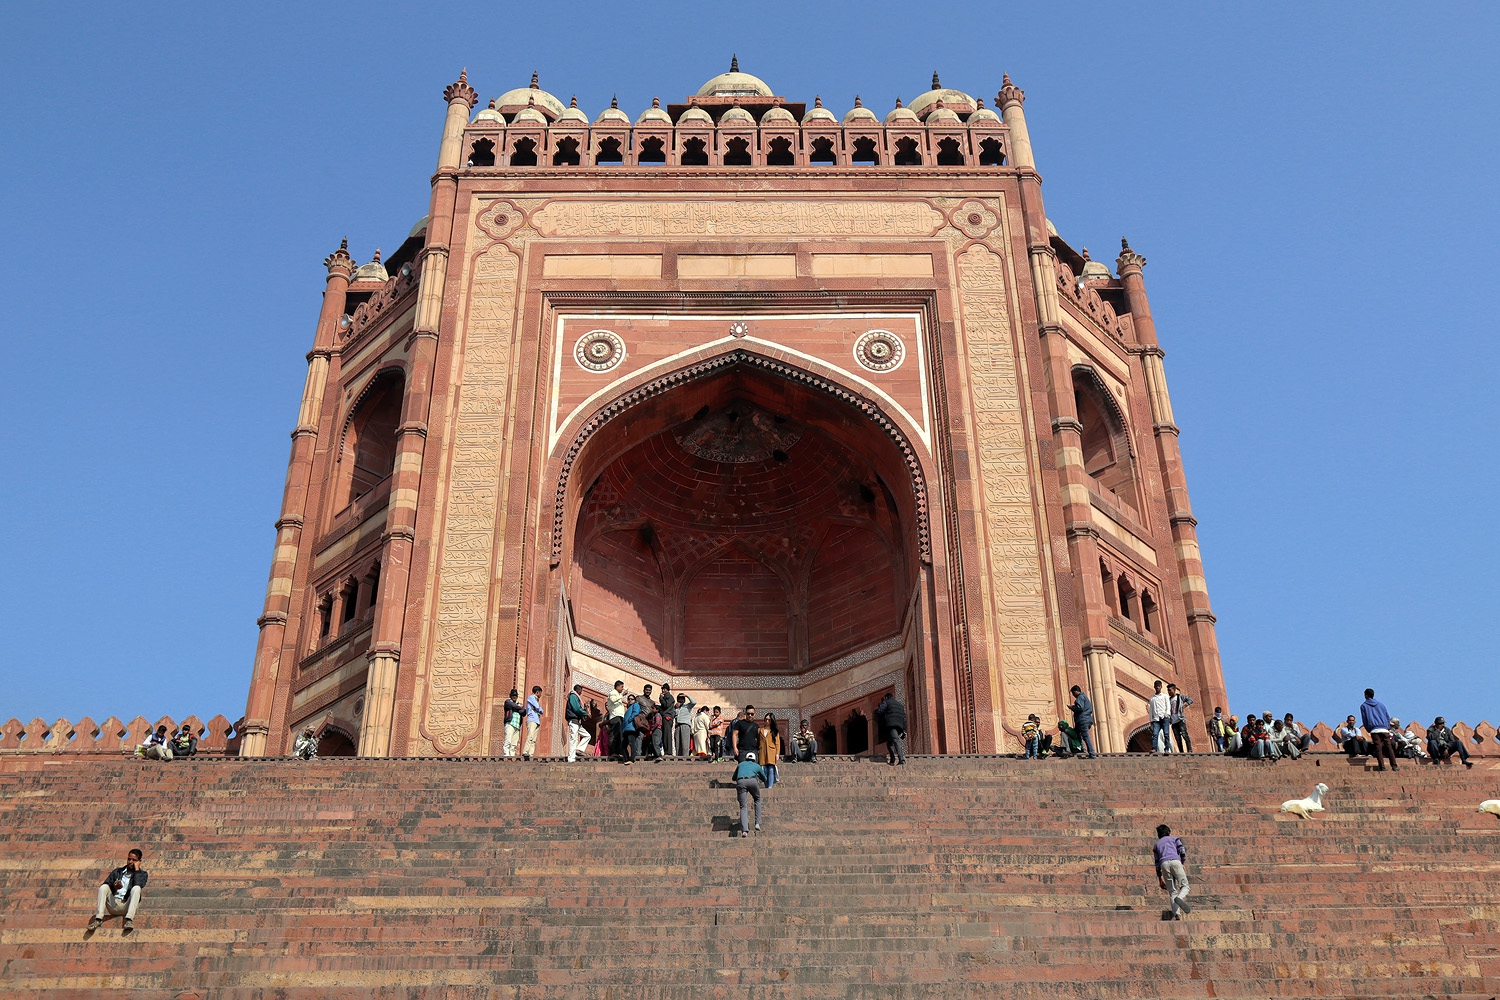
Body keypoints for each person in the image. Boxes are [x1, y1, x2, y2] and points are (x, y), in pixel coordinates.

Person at [87, 848, 148, 934]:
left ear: (139, 861)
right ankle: (98, 919)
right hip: (113, 904)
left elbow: (139, 885)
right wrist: (113, 886)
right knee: (104, 887)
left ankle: (129, 920)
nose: (130, 862)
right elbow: (106, 885)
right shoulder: (117, 872)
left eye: (134, 860)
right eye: (129, 859)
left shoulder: (143, 874)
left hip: (127, 906)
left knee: (136, 888)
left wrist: (137, 870)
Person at [1152, 824, 1191, 920]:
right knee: (1185, 886)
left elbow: (1156, 863)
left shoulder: (1156, 845)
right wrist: (1182, 862)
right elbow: (1182, 850)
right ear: (1169, 832)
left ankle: (1177, 914)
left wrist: (1159, 878)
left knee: (1172, 891)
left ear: (1158, 835)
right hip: (1175, 861)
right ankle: (1180, 898)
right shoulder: (1174, 839)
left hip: (1164, 864)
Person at [1360, 688, 1398, 772]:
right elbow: (1387, 716)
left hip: (1374, 729)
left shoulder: (1364, 706)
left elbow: (1365, 718)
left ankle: (1382, 766)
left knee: (1378, 748)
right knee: (1389, 748)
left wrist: (1368, 728)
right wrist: (1386, 726)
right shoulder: (1381, 704)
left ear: (1366, 695)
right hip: (1384, 729)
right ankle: (1394, 766)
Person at [731, 751, 767, 837]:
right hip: (752, 781)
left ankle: (744, 830)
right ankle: (757, 823)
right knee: (757, 799)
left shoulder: (741, 764)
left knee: (743, 806)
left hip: (740, 781)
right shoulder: (757, 766)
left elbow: (733, 778)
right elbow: (764, 778)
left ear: (746, 758)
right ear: (754, 759)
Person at [876, 693, 908, 765]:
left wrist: (884, 718)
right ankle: (892, 758)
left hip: (891, 724)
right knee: (890, 741)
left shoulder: (886, 702)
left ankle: (901, 759)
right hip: (899, 726)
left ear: (886, 697)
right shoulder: (900, 705)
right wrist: (905, 730)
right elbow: (904, 718)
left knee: (895, 740)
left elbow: (880, 711)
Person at [1069, 685, 1098, 758]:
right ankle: (1081, 748)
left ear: (1076, 691)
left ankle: (1092, 753)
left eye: (1073, 693)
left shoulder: (1080, 697)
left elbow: (1080, 708)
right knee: (1076, 733)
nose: (1073, 695)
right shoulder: (1084, 697)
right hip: (1085, 720)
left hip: (1083, 720)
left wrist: (1072, 707)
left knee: (1085, 736)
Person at [565, 684, 589, 762]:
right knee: (573, 739)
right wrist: (585, 713)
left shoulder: (575, 697)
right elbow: (576, 708)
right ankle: (571, 758)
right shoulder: (573, 696)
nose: (581, 693)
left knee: (587, 736)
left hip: (577, 722)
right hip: (573, 720)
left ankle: (578, 749)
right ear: (578, 690)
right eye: (581, 691)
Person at [1167, 684, 1194, 753]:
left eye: (1170, 690)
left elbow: (1190, 700)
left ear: (1174, 690)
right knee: (1177, 738)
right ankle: (1181, 752)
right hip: (1173, 721)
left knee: (1184, 734)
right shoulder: (1168, 700)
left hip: (1180, 719)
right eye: (1168, 691)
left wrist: (1185, 705)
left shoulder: (1180, 697)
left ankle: (1190, 750)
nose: (1169, 692)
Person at [758, 713, 783, 787]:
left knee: (771, 770)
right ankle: (766, 785)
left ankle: (770, 787)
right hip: (763, 752)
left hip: (772, 752)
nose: (767, 721)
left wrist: (777, 753)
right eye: (766, 719)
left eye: (769, 720)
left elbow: (777, 743)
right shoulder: (760, 730)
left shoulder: (774, 731)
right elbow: (758, 741)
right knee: (764, 770)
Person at [1148, 680, 1172, 754]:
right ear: (1154, 687)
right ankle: (1154, 748)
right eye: (1156, 686)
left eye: (1159, 686)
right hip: (1156, 719)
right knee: (1155, 734)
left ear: (1161, 687)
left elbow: (1168, 706)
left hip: (1164, 717)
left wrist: (1167, 714)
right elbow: (1151, 710)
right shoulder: (1152, 699)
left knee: (1166, 734)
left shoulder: (1165, 696)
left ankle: (1167, 749)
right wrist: (1151, 719)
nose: (1157, 687)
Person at [606, 680, 627, 760]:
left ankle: (617, 752)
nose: (622, 689)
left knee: (619, 735)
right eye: (622, 687)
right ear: (617, 686)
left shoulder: (617, 694)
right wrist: (622, 695)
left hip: (620, 717)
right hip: (615, 717)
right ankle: (612, 752)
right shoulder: (613, 693)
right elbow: (613, 700)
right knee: (614, 734)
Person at [523, 685, 545, 760]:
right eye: (540, 693)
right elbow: (538, 708)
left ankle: (530, 754)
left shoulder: (535, 700)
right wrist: (538, 709)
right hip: (532, 719)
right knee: (530, 736)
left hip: (536, 720)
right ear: (537, 692)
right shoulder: (531, 698)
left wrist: (539, 709)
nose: (541, 695)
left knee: (534, 739)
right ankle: (525, 751)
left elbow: (540, 710)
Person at [673, 693, 695, 760]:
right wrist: (674, 708)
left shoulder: (688, 706)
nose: (680, 700)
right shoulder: (676, 708)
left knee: (685, 743)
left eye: (682, 699)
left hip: (685, 725)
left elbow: (694, 702)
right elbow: (673, 715)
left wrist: (687, 695)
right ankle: (679, 758)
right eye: (679, 699)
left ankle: (685, 758)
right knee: (677, 743)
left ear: (684, 700)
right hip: (677, 726)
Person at [502, 689, 524, 758]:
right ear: (510, 696)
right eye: (513, 695)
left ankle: (512, 756)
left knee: (514, 744)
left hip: (517, 726)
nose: (514, 697)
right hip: (510, 724)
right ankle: (506, 755)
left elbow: (524, 712)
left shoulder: (519, 704)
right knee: (508, 740)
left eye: (515, 695)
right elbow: (513, 706)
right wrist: (519, 708)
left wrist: (518, 708)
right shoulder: (508, 702)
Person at [621, 694, 641, 765]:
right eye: (628, 699)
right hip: (626, 729)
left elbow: (636, 712)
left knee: (632, 743)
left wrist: (629, 719)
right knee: (623, 745)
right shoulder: (628, 708)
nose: (630, 700)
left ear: (634, 700)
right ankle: (627, 759)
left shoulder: (635, 705)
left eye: (631, 699)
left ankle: (632, 759)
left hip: (632, 728)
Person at [658, 684, 677, 756]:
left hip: (667, 717)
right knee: (665, 734)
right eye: (662, 689)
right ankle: (666, 751)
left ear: (667, 690)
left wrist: (661, 698)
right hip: (665, 716)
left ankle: (668, 752)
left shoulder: (669, 697)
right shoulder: (667, 697)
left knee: (667, 735)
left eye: (664, 689)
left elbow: (666, 705)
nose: (663, 690)